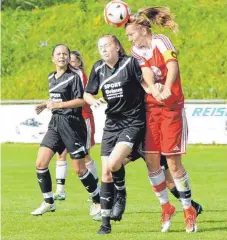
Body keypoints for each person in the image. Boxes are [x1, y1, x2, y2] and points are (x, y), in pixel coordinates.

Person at [125, 7, 199, 232]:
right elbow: (146, 73)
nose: (130, 39)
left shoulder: (161, 41)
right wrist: (153, 91)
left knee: (174, 164)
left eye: (131, 34)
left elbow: (172, 65)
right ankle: (166, 207)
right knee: (152, 163)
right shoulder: (136, 52)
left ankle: (189, 210)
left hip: (172, 110)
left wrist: (166, 88)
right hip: (151, 111)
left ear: (144, 28)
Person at [83, 35, 147, 234]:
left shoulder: (129, 63)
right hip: (112, 124)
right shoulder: (98, 68)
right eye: (99, 46)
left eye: (106, 45)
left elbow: (145, 84)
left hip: (133, 122)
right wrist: (92, 100)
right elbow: (87, 93)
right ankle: (105, 224)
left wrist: (156, 88)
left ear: (117, 46)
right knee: (105, 173)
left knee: (113, 164)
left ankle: (121, 191)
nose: (103, 49)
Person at [31, 44, 100, 218]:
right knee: (41, 163)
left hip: (72, 125)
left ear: (69, 57)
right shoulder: (51, 77)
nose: (61, 56)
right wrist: (44, 104)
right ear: (52, 58)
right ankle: (48, 202)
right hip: (55, 124)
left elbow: (81, 100)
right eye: (58, 54)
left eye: (65, 54)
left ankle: (99, 201)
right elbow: (55, 97)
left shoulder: (75, 76)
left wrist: (59, 105)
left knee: (79, 169)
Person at [54, 50, 99, 202]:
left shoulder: (80, 76)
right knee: (61, 153)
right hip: (67, 120)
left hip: (83, 119)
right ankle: (60, 190)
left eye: (74, 61)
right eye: (69, 61)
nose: (71, 64)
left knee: (85, 155)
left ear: (79, 63)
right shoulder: (64, 76)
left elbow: (83, 98)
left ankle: (95, 187)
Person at [125, 152, 203, 216]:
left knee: (168, 181)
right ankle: (113, 207)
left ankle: (192, 206)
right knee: (114, 165)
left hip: (151, 144)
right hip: (133, 141)